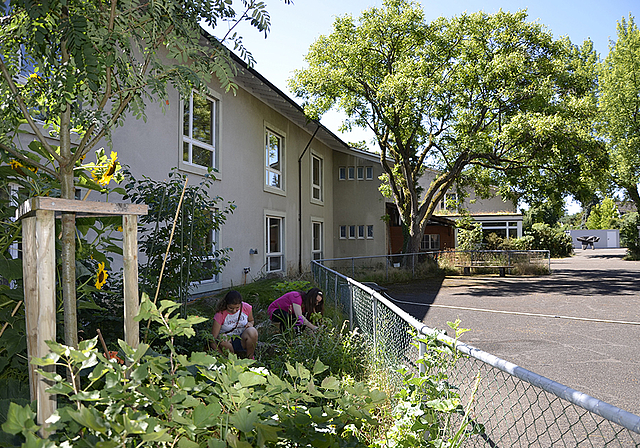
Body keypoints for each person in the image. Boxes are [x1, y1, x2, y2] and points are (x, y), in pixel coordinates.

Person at [210, 290, 258, 359]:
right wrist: (220, 355)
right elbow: (212, 339)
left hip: (242, 338)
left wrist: (250, 324)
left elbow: (251, 320)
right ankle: (232, 359)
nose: (234, 311)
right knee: (222, 338)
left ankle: (250, 358)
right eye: (231, 308)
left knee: (252, 331)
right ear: (226, 304)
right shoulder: (220, 314)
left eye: (237, 308)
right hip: (227, 340)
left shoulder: (246, 308)